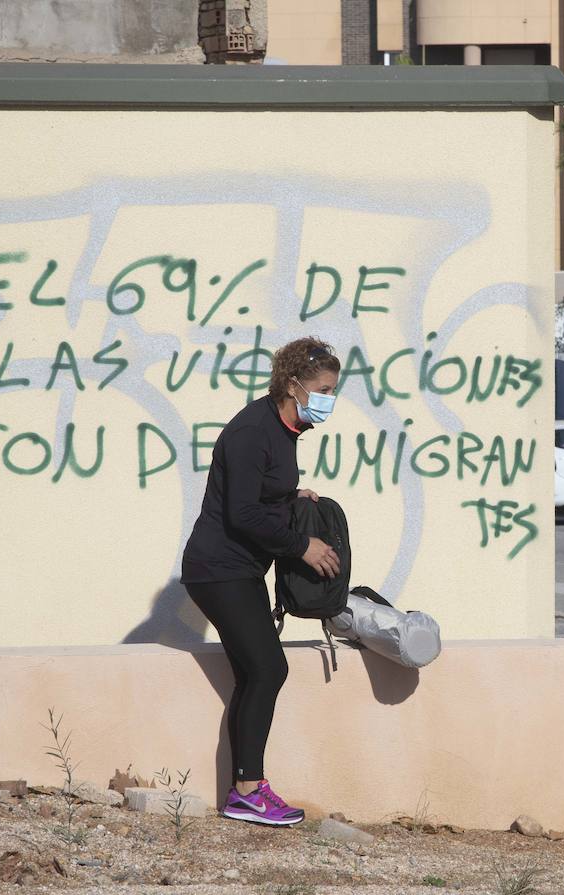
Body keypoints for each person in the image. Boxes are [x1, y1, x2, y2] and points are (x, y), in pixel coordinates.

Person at [181, 338, 343, 826]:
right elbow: (243, 511)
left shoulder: (282, 429)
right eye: (324, 389)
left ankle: (246, 789)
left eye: (334, 390)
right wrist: (302, 546)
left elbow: (258, 490)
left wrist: (293, 495)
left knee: (257, 672)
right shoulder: (252, 430)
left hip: (240, 570)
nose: (329, 399)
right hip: (218, 569)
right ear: (293, 384)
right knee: (269, 669)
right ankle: (248, 790)